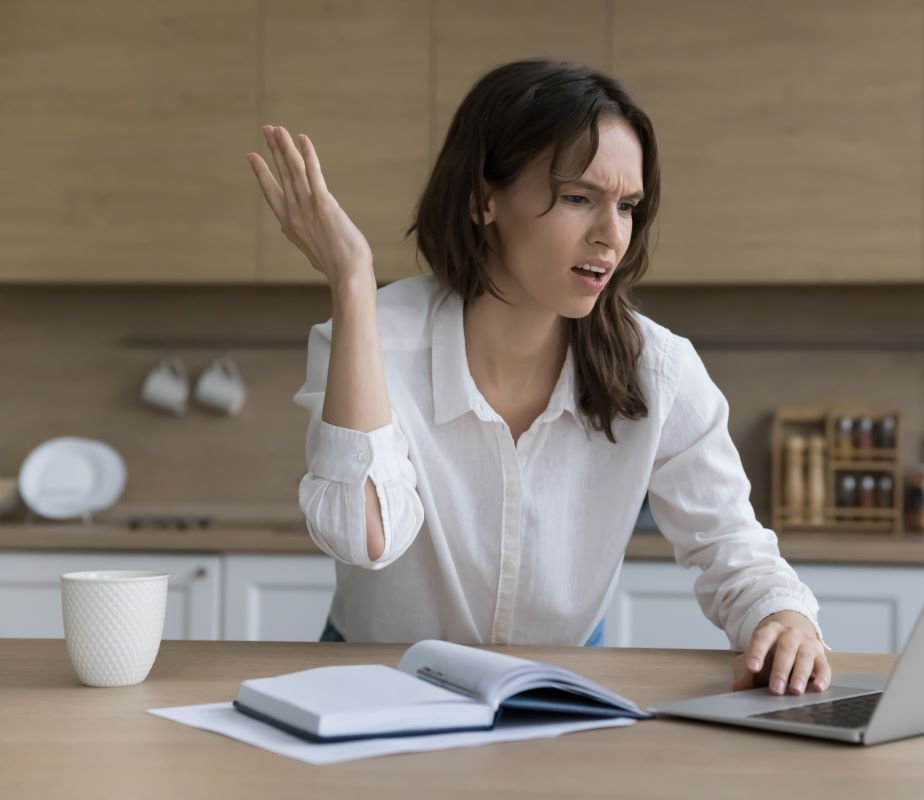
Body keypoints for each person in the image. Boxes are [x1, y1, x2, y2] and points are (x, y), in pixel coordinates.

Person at [246, 58, 832, 697]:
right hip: (376, 684)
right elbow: (361, 537)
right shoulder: (371, 336)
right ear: (482, 199)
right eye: (580, 198)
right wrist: (353, 278)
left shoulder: (657, 367)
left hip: (561, 687)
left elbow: (733, 547)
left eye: (628, 206)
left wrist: (784, 615)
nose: (612, 237)